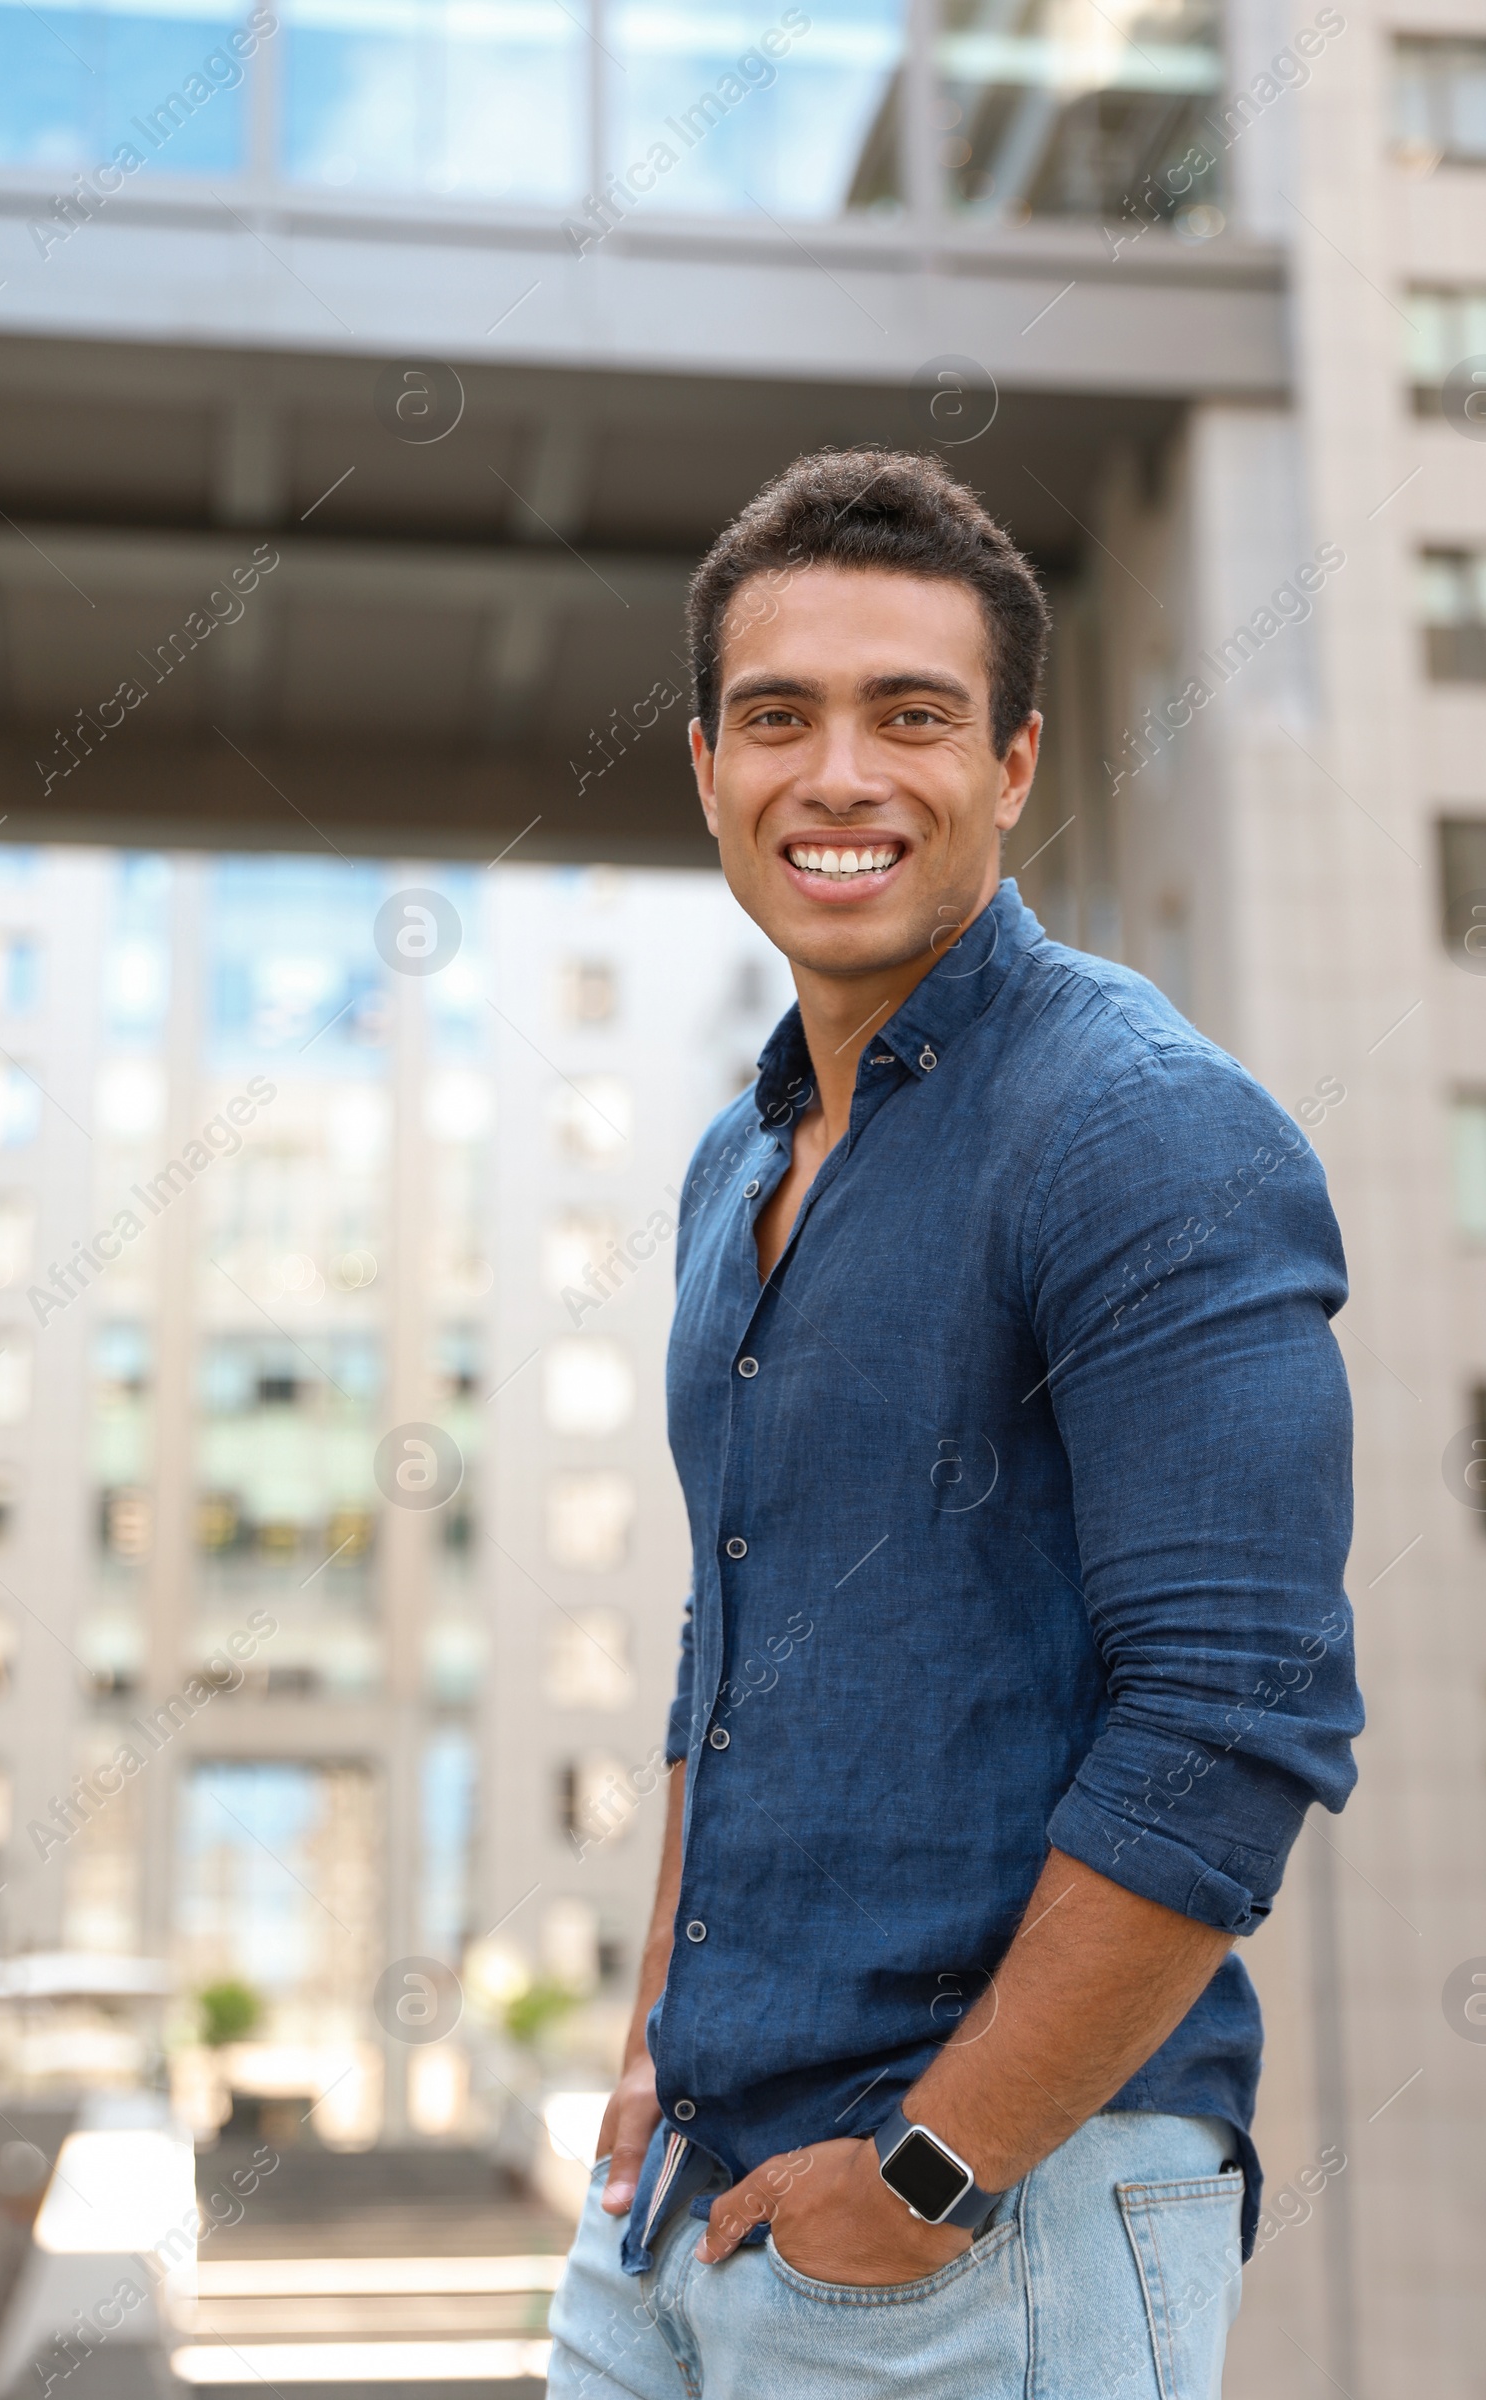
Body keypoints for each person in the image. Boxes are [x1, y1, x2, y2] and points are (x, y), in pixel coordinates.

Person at [546, 448, 1362, 2399]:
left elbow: (1232, 1716)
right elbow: (718, 1646)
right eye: (777, 718)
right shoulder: (729, 1162)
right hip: (684, 2198)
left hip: (983, 2229)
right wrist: (655, 2042)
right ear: (705, 769)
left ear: (1006, 769)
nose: (837, 776)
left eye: (908, 716)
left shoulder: (1141, 1129)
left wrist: (925, 2172)